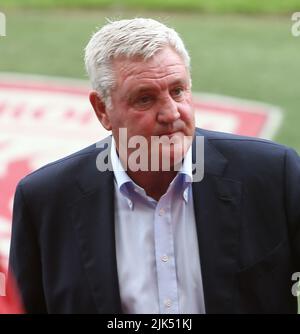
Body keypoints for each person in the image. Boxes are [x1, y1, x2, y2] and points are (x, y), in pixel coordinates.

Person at [9, 18, 300, 314]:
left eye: (178, 91)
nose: (172, 113)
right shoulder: (44, 201)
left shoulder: (274, 175)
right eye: (145, 99)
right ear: (102, 110)